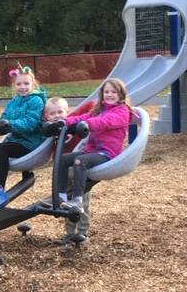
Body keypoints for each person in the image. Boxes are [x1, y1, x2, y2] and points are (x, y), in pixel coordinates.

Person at [45, 78, 132, 220]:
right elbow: (82, 117)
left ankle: (77, 200)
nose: (109, 95)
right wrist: (64, 122)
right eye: (106, 92)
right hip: (92, 150)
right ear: (102, 94)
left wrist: (87, 124)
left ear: (121, 94)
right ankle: (61, 197)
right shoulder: (99, 109)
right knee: (62, 159)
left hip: (106, 153)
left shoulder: (122, 112)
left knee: (79, 161)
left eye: (113, 92)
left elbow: (104, 122)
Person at [43, 97, 93, 245]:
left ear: (67, 113)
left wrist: (73, 118)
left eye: (60, 112)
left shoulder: (73, 125)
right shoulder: (51, 129)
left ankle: (83, 234)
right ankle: (70, 234)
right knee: (66, 203)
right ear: (47, 116)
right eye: (53, 113)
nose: (57, 115)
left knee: (83, 203)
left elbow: (90, 105)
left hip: (79, 170)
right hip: (63, 172)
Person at [0, 65, 46, 190]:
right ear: (14, 85)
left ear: (33, 84)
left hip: (31, 143)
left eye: (26, 83)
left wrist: (9, 124)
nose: (23, 87)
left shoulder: (36, 101)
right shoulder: (13, 102)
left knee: (4, 149)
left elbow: (30, 123)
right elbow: (4, 119)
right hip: (16, 141)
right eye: (19, 84)